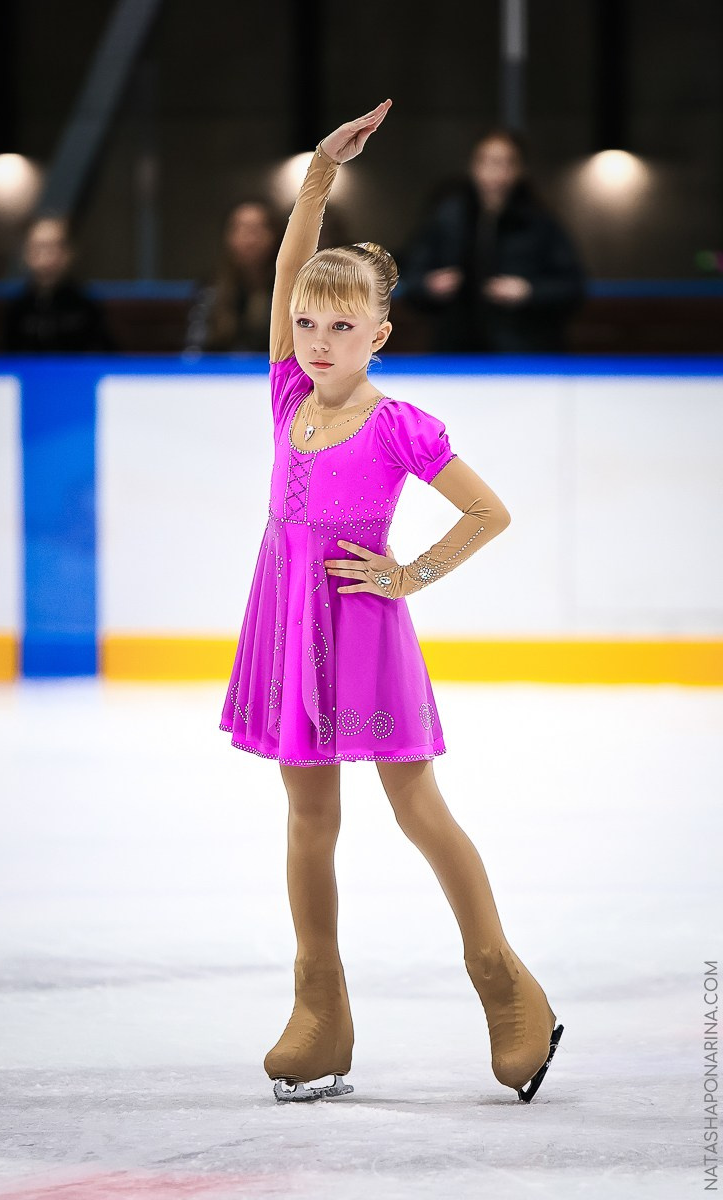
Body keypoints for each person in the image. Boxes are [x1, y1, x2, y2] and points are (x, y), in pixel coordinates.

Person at [218, 100, 564, 1104]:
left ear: (379, 329)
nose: (317, 338)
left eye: (340, 324)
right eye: (305, 324)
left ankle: (505, 987)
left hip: (361, 626)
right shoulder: (287, 398)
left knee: (414, 805)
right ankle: (319, 1009)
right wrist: (319, 172)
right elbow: (290, 265)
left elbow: (487, 511)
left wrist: (409, 575)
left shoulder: (398, 422)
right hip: (288, 622)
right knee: (304, 818)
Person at [402, 129, 585, 352]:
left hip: (523, 351)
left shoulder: (540, 222)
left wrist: (528, 292)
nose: (494, 172)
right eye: (486, 161)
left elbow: (573, 287)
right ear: (473, 166)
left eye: (505, 163)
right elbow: (412, 279)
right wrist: (429, 285)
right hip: (455, 351)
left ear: (520, 170)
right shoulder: (447, 217)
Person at [3, 216, 115, 353]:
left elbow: (106, 358)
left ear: (68, 254)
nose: (46, 258)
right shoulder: (16, 309)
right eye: (38, 248)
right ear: (26, 254)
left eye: (54, 248)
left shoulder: (87, 307)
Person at [186, 199, 282, 353]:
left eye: (256, 230)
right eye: (240, 229)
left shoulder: (291, 288)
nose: (249, 240)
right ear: (228, 237)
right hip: (219, 374)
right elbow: (195, 348)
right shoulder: (210, 287)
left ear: (274, 236)